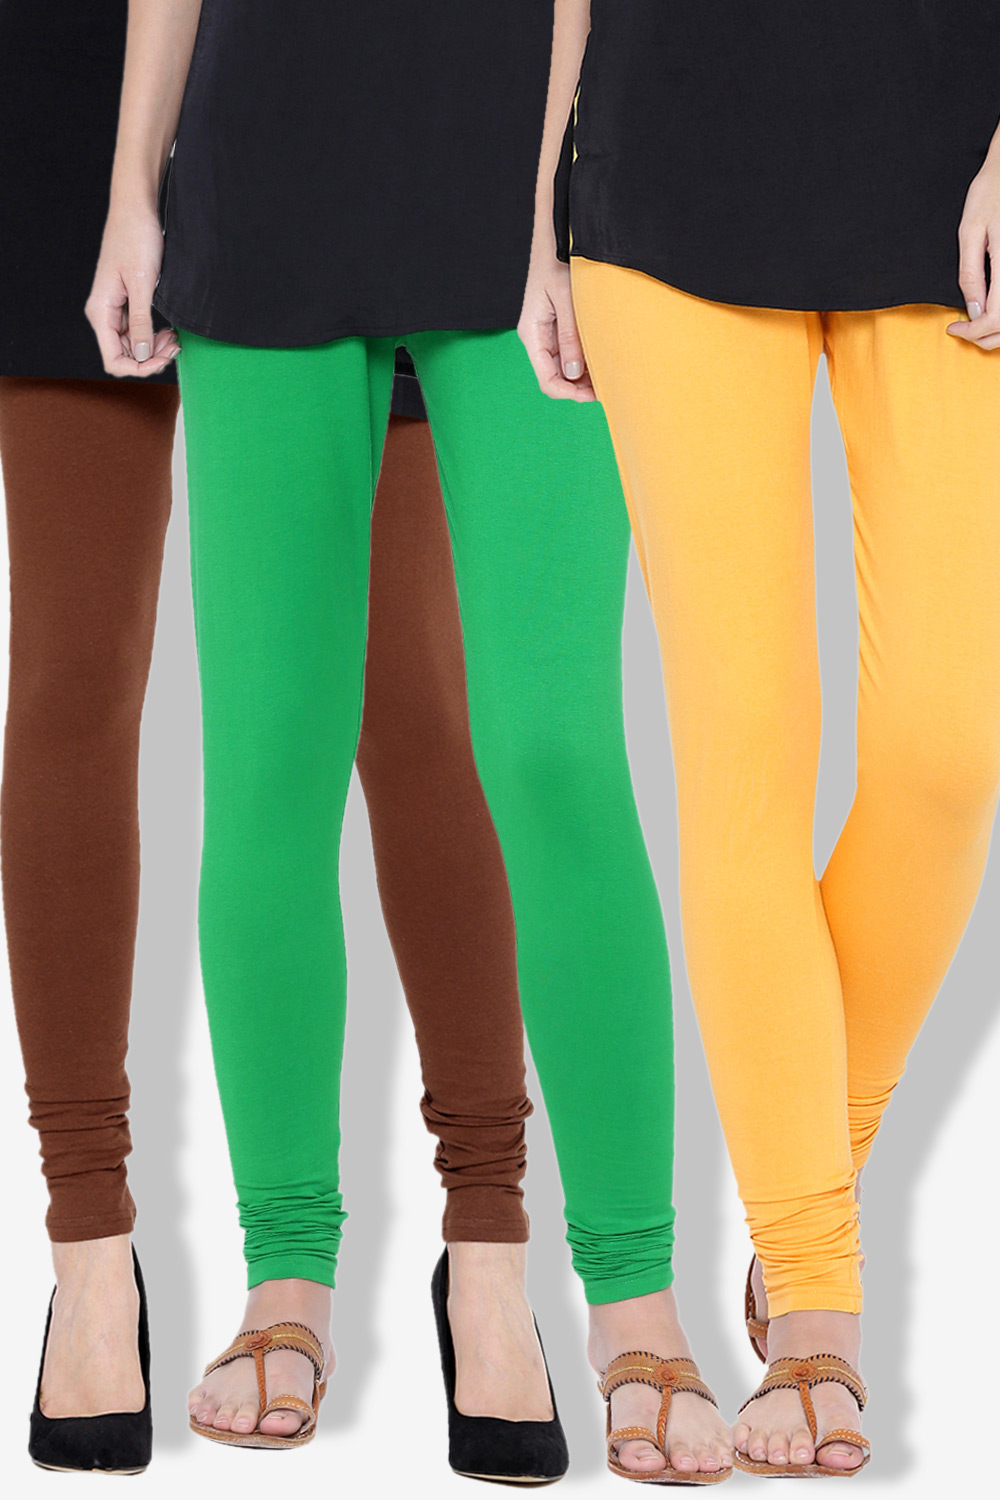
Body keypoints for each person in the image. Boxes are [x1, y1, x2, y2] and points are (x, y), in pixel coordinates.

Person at [90, 0, 733, 1481]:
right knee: (269, 762)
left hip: (529, 189)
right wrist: (132, 187)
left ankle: (635, 1295)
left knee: (557, 752)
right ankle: (284, 1270)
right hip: (264, 171)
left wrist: (572, 179)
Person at [1, 0, 544, 1475]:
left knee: (414, 704)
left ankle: (487, 1238)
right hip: (67, 108)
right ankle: (89, 1255)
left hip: (352, 110)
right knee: (72, 684)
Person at [521, 0, 1000, 1479]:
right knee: (745, 759)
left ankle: (807, 1176)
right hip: (665, 171)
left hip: (951, 166)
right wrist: (538, 212)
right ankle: (814, 1305)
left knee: (948, 746)